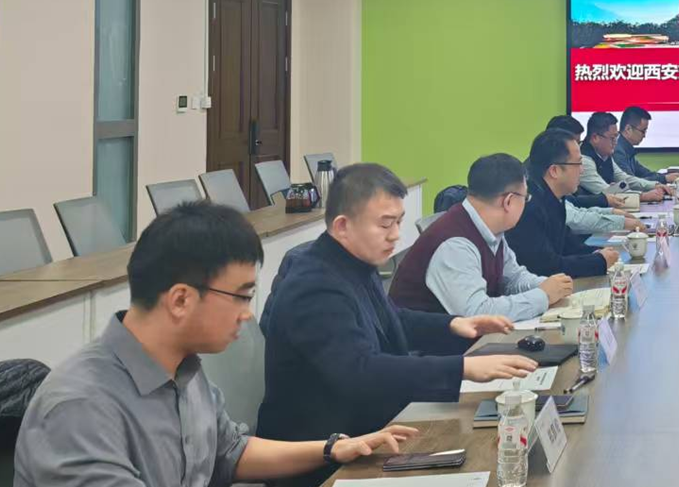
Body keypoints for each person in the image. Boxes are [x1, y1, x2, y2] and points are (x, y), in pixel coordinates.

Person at [15, 201, 424, 487]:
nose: (247, 314)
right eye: (241, 297)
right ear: (180, 299)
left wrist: (334, 449)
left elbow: (230, 453)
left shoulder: (185, 370)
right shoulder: (80, 406)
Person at [257, 164, 537, 486]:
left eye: (399, 222)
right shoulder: (314, 285)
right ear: (343, 225)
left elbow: (391, 319)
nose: (395, 235)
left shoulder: (353, 261)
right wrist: (462, 368)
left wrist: (454, 324)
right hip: (324, 460)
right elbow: (360, 371)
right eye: (385, 224)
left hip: (370, 431)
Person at [390, 153, 573, 322]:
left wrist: (548, 285)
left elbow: (513, 278)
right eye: (526, 198)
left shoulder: (490, 227)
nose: (526, 204)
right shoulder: (454, 245)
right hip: (428, 344)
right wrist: (543, 296)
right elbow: (476, 313)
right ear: (508, 201)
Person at [511, 128, 623, 278]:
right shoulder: (529, 205)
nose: (582, 171)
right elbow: (546, 266)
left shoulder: (555, 197)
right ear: (554, 171)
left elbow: (569, 245)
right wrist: (598, 261)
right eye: (578, 163)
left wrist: (599, 252)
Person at [545, 114, 644, 234]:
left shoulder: (605, 156)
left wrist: (611, 212)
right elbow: (575, 218)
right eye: (576, 143)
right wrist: (621, 221)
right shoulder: (537, 187)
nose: (581, 170)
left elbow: (573, 207)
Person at [578, 112, 668, 202]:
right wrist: (642, 196)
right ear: (595, 137)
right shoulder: (583, 160)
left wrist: (654, 185)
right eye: (612, 138)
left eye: (616, 137)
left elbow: (624, 178)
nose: (615, 142)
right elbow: (607, 193)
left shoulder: (604, 154)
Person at [614, 106, 679, 183]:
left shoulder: (626, 148)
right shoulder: (618, 151)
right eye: (643, 131)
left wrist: (666, 176)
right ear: (628, 129)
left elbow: (645, 173)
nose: (644, 135)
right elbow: (631, 183)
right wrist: (665, 179)